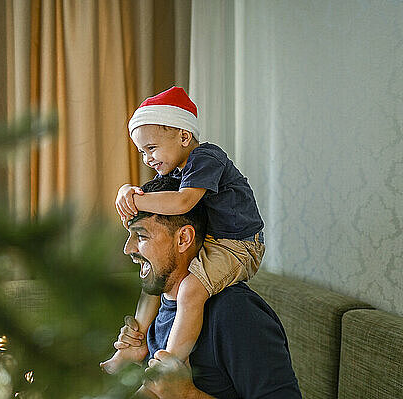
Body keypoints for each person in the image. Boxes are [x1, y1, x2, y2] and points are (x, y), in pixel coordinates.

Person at [101, 87, 265, 374]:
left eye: (151, 148)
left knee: (190, 288)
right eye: (142, 152)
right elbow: (158, 197)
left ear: (184, 136)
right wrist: (128, 190)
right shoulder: (175, 170)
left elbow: (182, 202)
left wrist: (133, 198)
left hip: (238, 245)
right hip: (213, 238)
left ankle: (170, 365)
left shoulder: (206, 157)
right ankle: (134, 344)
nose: (147, 159)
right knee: (156, 279)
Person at [116, 175, 302, 398]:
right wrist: (136, 364)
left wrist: (189, 395)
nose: (128, 249)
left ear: (183, 238)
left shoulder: (234, 312)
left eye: (141, 235)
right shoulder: (159, 305)